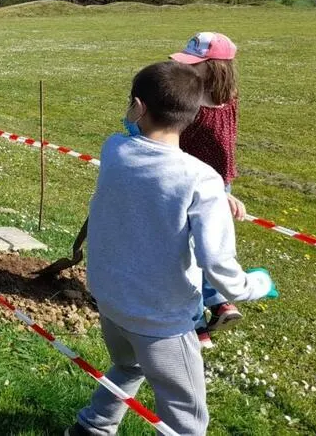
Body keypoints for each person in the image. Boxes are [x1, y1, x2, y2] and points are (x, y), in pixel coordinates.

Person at [65, 61, 278, 436]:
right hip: (161, 320)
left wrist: (212, 195)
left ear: (137, 106)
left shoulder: (114, 149)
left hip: (111, 301)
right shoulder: (201, 179)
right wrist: (255, 285)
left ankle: (92, 427)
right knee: (187, 418)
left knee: (128, 366)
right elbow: (218, 266)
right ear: (194, 115)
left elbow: (151, 175)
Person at [170, 32, 245, 349]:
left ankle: (196, 325)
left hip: (192, 184)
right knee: (211, 243)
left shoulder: (193, 105)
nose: (187, 69)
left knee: (187, 253)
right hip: (220, 182)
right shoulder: (230, 98)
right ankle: (220, 302)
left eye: (194, 65)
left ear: (215, 68)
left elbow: (178, 146)